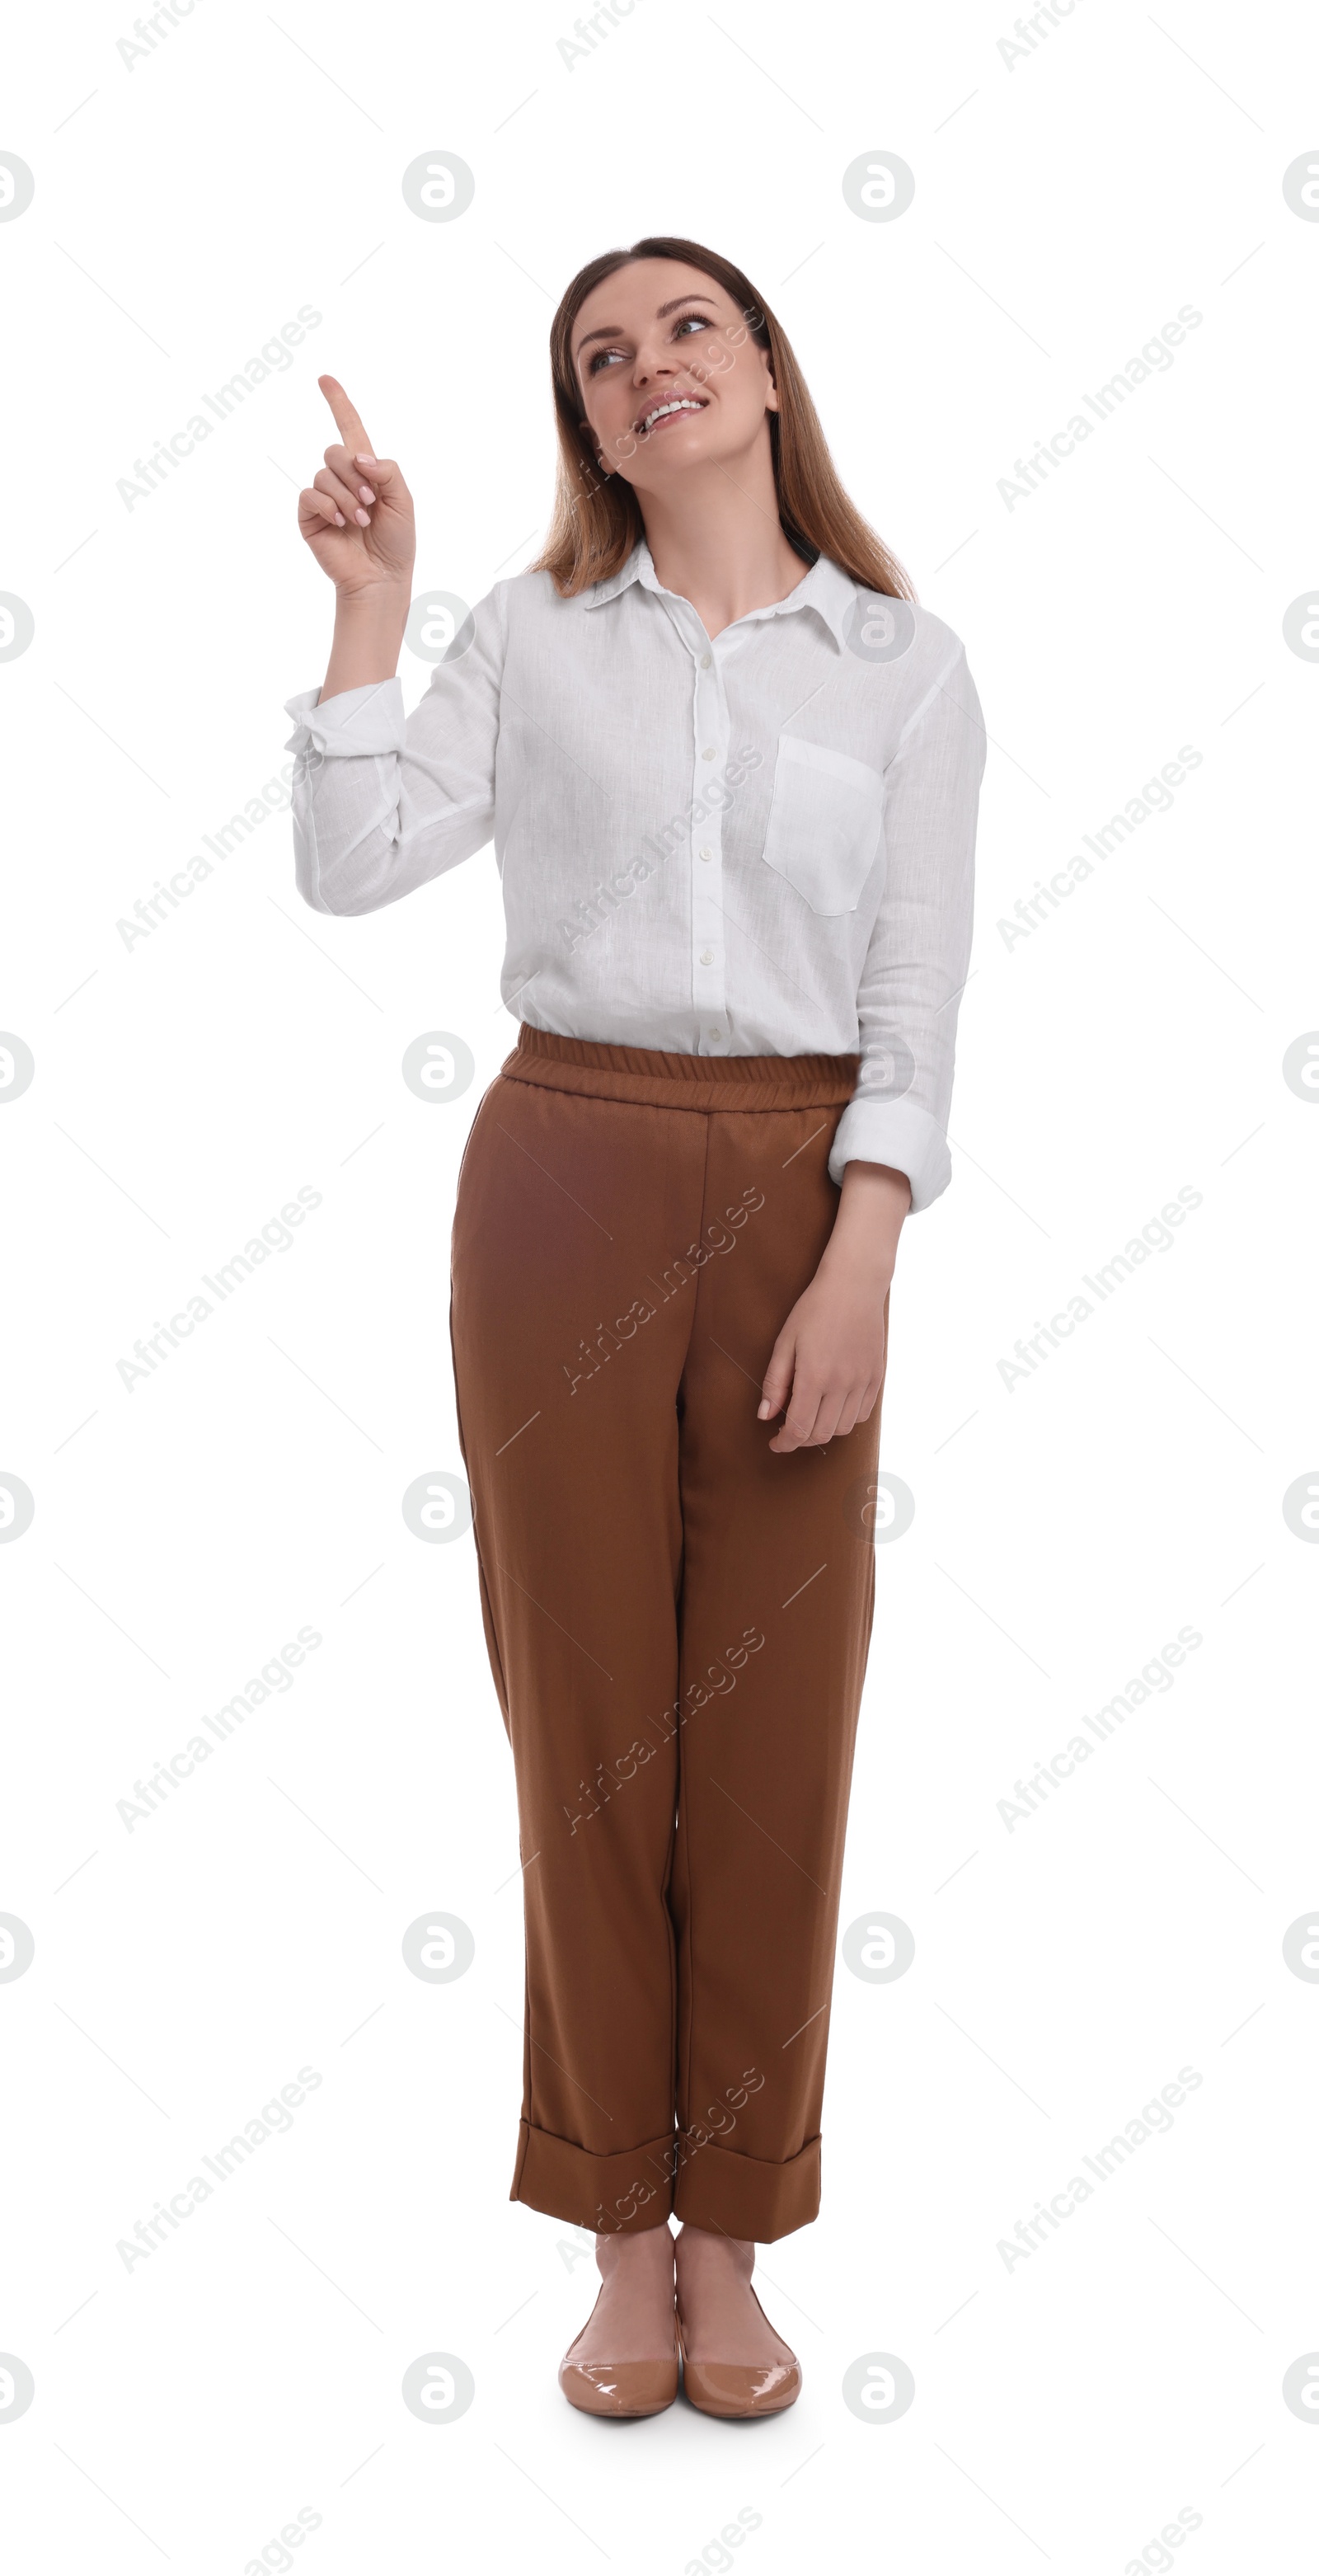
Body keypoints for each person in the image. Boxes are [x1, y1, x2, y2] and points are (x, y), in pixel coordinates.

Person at [284, 233, 985, 2420]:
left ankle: (740, 2236)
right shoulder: (530, 637)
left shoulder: (903, 666)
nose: (647, 365)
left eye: (689, 326)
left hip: (802, 1194)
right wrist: (374, 615)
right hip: (564, 1174)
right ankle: (618, 2235)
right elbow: (352, 865)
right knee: (589, 1723)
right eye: (603, 353)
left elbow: (912, 1002)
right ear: (588, 422)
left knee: (773, 1751)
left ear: (768, 372)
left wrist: (865, 1247)